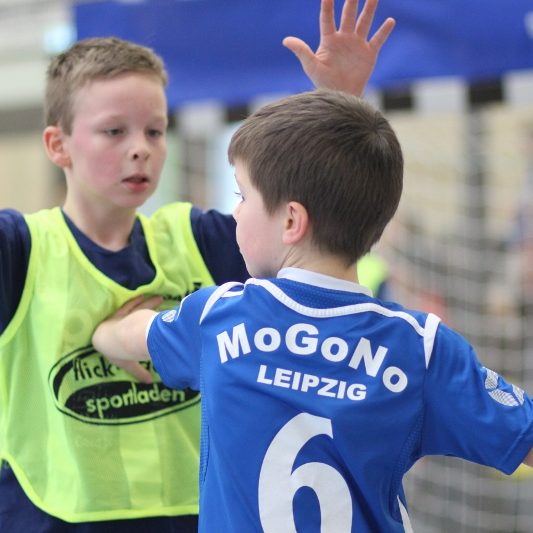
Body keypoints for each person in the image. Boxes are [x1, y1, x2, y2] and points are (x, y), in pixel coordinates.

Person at [0, 0, 396, 531]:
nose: (140, 149)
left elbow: (304, 215)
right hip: (48, 517)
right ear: (58, 144)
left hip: (195, 516)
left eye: (155, 131)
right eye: (114, 132)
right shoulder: (20, 249)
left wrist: (337, 103)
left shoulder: (198, 240)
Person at [92, 89, 533, 532]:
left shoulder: (219, 317)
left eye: (242, 195)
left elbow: (127, 334)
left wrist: (104, 334)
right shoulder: (422, 349)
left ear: (291, 221)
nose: (235, 213)